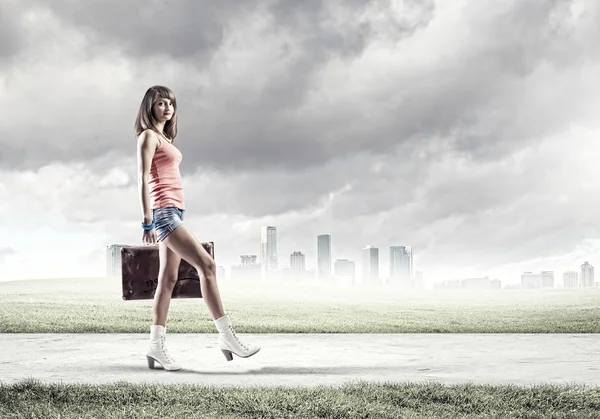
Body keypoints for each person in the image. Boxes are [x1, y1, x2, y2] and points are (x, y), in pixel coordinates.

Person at [135, 85, 260, 371]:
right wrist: (147, 220)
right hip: (164, 214)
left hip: (174, 211)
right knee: (208, 266)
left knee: (168, 280)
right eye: (160, 103)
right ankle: (228, 337)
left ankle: (155, 346)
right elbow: (142, 178)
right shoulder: (148, 137)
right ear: (149, 108)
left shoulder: (165, 137)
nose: (167, 108)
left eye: (171, 104)